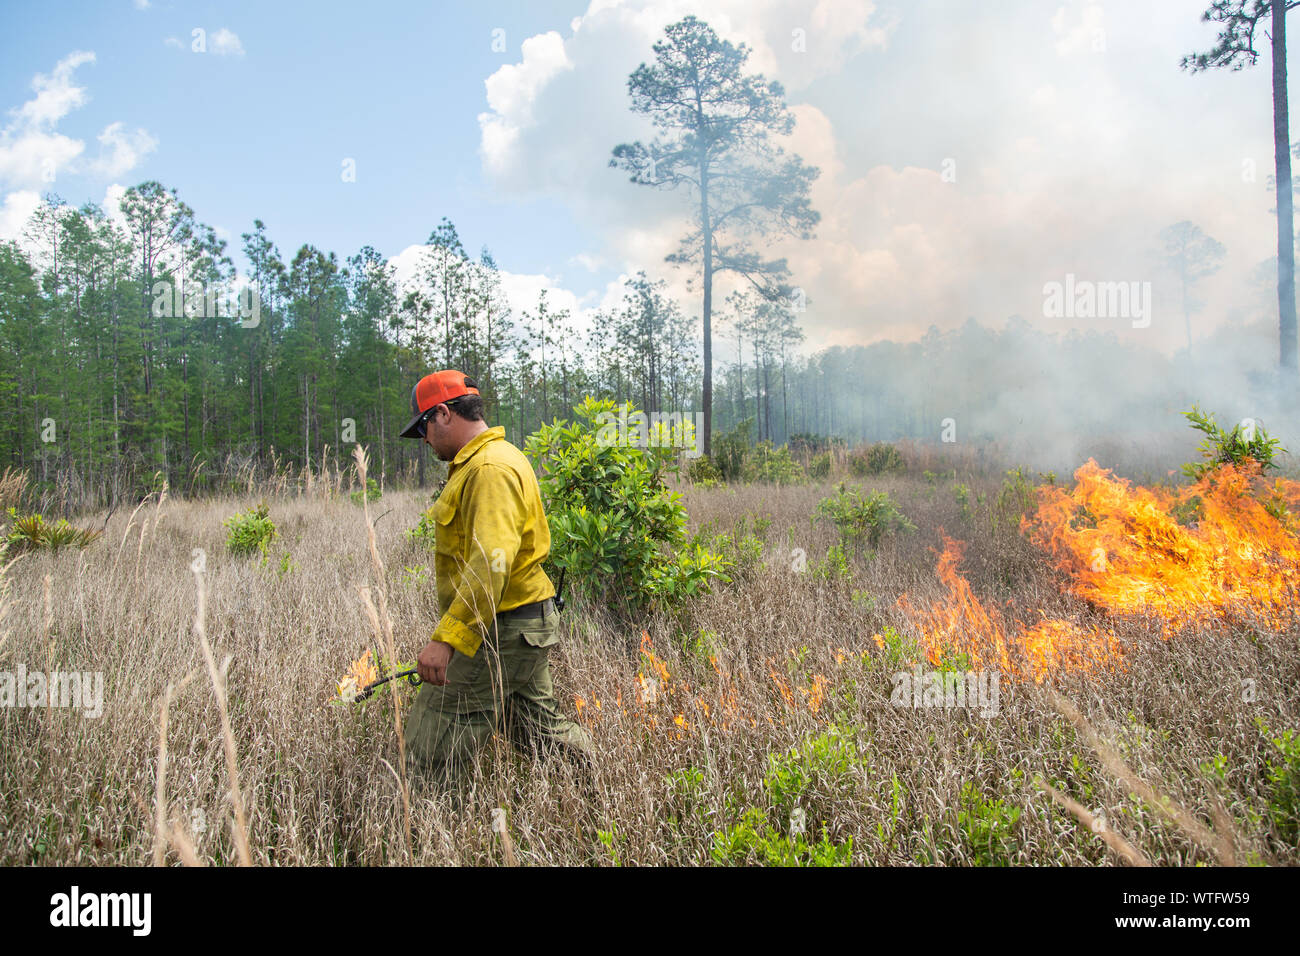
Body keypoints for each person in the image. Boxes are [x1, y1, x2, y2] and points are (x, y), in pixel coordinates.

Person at [397, 370, 592, 783]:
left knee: (431, 743)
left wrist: (448, 638)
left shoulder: (488, 468)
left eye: (424, 428)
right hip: (519, 624)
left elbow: (492, 563)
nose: (426, 441)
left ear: (444, 414)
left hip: (500, 629)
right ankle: (604, 791)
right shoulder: (496, 458)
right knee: (540, 733)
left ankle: (428, 833)